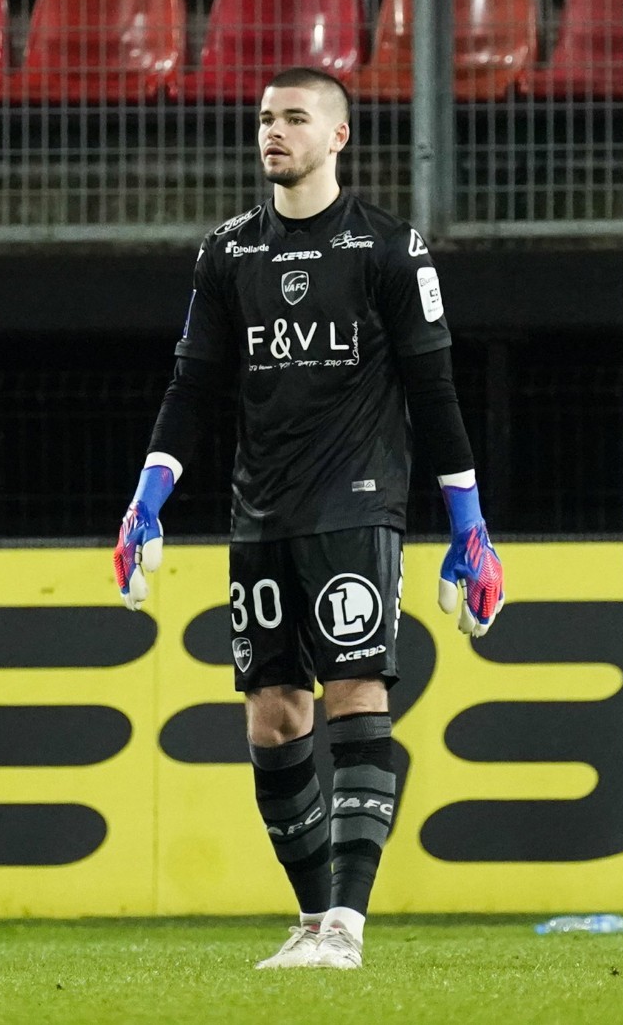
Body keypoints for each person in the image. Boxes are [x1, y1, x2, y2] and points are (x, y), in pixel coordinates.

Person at [111, 67, 504, 971]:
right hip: (261, 513)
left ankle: (348, 925)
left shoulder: (388, 249)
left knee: (356, 692)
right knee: (273, 718)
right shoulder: (227, 254)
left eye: (294, 118)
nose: (273, 132)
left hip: (358, 503)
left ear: (338, 137)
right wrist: (145, 502)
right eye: (263, 119)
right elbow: (193, 387)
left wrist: (469, 526)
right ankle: (311, 919)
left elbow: (435, 390)